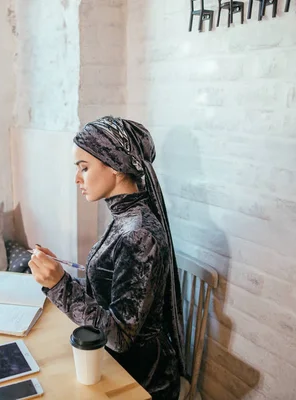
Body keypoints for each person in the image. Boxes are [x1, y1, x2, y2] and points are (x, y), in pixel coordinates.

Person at [28, 116, 186, 400]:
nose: (77, 178)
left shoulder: (138, 234)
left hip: (142, 379)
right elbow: (109, 290)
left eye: (84, 168)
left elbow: (119, 337)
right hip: (114, 362)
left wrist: (59, 285)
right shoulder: (124, 218)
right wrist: (59, 277)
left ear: (114, 165)